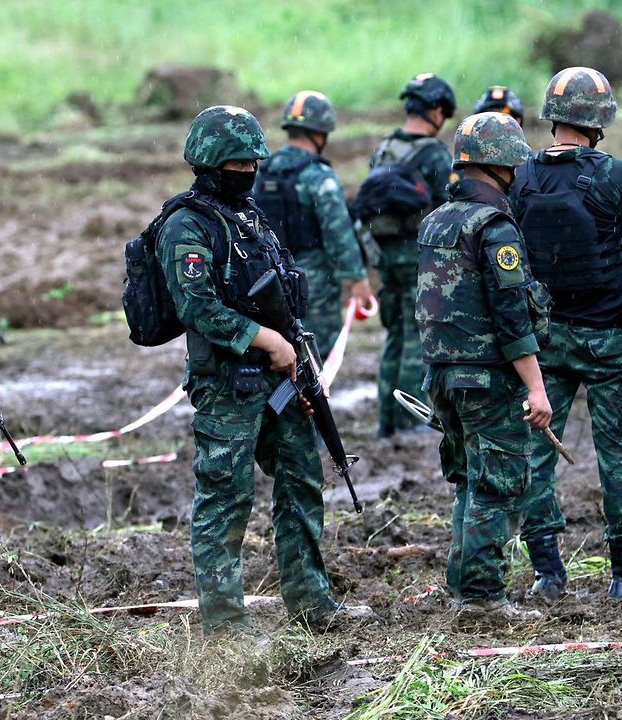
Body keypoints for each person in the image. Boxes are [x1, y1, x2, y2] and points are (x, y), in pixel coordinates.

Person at [161, 105, 372, 635]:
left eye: (254, 162)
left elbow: (283, 300)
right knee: (225, 499)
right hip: (228, 386)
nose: (249, 172)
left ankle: (310, 602)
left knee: (301, 483)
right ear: (210, 164)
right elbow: (198, 308)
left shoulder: (250, 219)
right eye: (238, 163)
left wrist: (299, 362)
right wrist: (265, 341)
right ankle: (225, 624)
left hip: (279, 381)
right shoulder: (187, 226)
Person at [512, 66, 622, 604]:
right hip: (611, 339)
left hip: (545, 343)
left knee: (536, 455)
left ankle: (546, 573)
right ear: (599, 121)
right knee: (618, 457)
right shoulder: (615, 176)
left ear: (554, 117)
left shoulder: (521, 176)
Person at [415, 111, 553, 620]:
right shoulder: (496, 228)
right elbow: (512, 317)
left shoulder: (435, 221)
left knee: (469, 481)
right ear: (501, 167)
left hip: (442, 377)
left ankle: (463, 585)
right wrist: (536, 390)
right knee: (498, 484)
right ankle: (481, 597)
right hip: (487, 379)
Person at [370, 72, 457, 438]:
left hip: (384, 255)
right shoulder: (435, 153)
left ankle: (386, 421)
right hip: (419, 256)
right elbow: (450, 207)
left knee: (394, 335)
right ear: (436, 110)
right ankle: (410, 422)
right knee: (417, 336)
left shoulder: (383, 148)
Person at [254, 90, 371, 353]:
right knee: (318, 358)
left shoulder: (264, 170)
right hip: (313, 285)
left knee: (281, 354)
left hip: (270, 281)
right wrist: (357, 278)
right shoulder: (318, 175)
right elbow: (338, 231)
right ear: (321, 132)